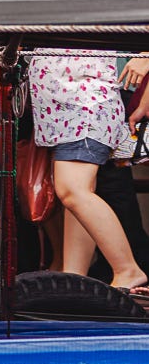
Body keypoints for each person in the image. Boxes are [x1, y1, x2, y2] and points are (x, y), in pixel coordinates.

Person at [31, 53, 146, 295]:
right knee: (78, 196)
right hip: (66, 108)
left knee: (73, 191)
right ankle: (75, 278)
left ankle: (127, 269)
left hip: (84, 103)